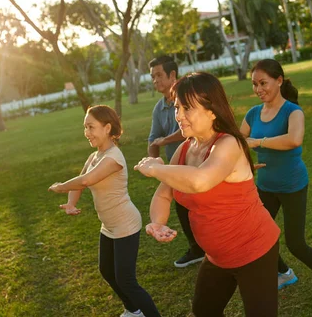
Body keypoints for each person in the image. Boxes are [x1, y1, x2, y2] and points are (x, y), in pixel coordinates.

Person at [135, 72, 281, 317]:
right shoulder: (184, 149)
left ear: (212, 110)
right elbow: (164, 194)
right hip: (216, 256)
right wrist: (157, 222)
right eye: (177, 108)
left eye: (187, 108)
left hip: (254, 250)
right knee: (203, 312)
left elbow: (200, 182)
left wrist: (155, 168)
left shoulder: (228, 144)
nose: (178, 116)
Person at [239, 59, 312, 306]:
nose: (258, 89)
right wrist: (243, 159)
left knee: (296, 244)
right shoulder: (253, 113)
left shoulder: (293, 112)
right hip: (265, 186)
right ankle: (285, 273)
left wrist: (258, 142)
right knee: (256, 235)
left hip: (292, 185)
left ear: (279, 80)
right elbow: (237, 142)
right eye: (255, 84)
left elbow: (294, 140)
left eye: (263, 82)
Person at [48, 105, 160, 317]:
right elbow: (81, 181)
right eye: (85, 128)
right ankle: (133, 310)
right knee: (107, 271)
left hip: (125, 224)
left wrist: (61, 186)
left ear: (107, 128)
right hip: (109, 225)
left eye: (91, 127)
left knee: (126, 280)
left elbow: (88, 180)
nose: (87, 133)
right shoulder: (94, 157)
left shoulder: (113, 157)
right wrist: (71, 202)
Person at [147, 55, 204, 268]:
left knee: (204, 206)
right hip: (175, 167)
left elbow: (188, 130)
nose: (155, 81)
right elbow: (153, 139)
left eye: (159, 75)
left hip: (198, 164)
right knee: (181, 206)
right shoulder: (158, 108)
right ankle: (197, 248)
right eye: (152, 77)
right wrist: (153, 160)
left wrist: (163, 140)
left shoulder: (190, 98)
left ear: (173, 75)